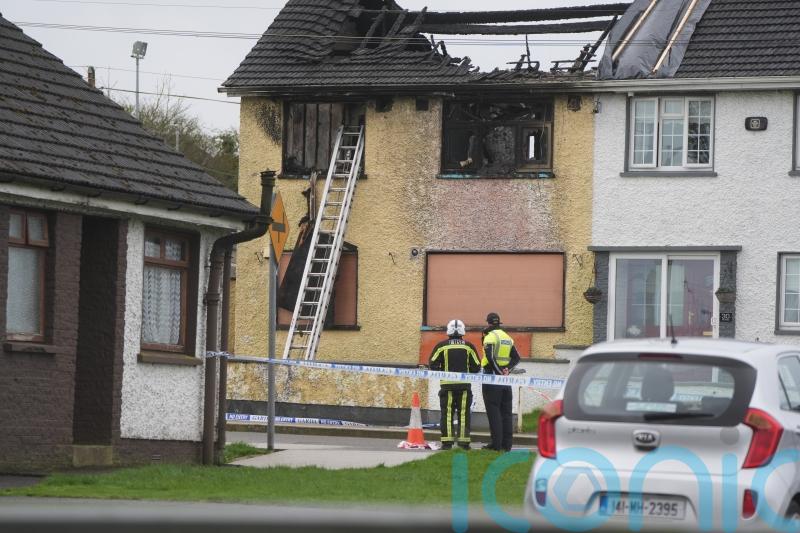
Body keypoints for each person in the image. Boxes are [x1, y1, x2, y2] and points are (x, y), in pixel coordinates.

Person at [428, 319, 481, 450]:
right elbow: (476, 366)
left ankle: (447, 443)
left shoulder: (441, 346)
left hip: (447, 387)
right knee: (464, 414)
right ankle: (464, 443)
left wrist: (442, 372)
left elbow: (432, 364)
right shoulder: (468, 346)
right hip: (464, 387)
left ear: (448, 331)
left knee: (447, 414)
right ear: (463, 331)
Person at [481, 312, 520, 452]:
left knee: (494, 412)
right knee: (506, 412)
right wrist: (507, 370)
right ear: (499, 323)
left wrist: (498, 373)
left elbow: (490, 358)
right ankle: (507, 445)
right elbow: (517, 358)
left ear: (489, 323)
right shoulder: (507, 337)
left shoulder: (490, 337)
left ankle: (496, 445)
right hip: (505, 380)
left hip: (492, 377)